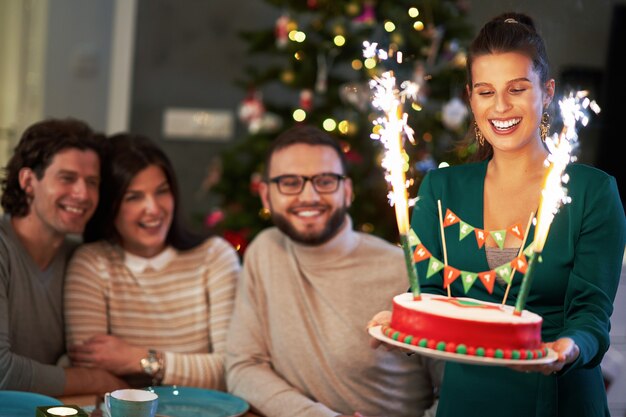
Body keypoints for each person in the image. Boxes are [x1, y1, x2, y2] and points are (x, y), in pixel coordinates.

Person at [368, 12, 626, 417]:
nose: (501, 106)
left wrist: (568, 348)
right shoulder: (441, 190)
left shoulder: (593, 192)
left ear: (548, 91)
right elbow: (430, 295)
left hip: (558, 396)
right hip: (466, 399)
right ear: (471, 98)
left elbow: (591, 313)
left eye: (518, 88)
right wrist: (401, 318)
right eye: (486, 92)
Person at [226, 124, 443, 417]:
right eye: (290, 182)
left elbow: (457, 394)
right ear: (266, 196)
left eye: (325, 181)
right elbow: (243, 366)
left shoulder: (407, 272)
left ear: (348, 191)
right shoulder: (264, 251)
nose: (309, 196)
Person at [64, 133, 240, 390]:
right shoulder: (91, 264)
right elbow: (93, 371)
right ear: (109, 205)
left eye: (162, 192)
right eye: (134, 197)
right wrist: (190, 369)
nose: (154, 208)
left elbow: (232, 370)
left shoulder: (215, 257)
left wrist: (137, 359)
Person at [0, 118, 127, 396]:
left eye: (92, 182)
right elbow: (2, 372)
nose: (82, 194)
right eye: (67, 178)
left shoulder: (81, 259)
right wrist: (98, 381)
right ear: (28, 181)